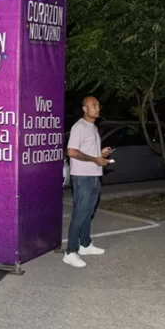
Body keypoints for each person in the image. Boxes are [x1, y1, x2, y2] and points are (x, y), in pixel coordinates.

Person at [63, 96, 112, 268]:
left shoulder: (93, 127)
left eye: (98, 105)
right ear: (85, 109)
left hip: (94, 176)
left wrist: (100, 154)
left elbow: (88, 151)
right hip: (82, 177)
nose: (97, 108)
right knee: (79, 214)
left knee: (88, 213)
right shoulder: (79, 127)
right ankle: (70, 252)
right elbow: (71, 152)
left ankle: (85, 245)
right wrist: (94, 159)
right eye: (93, 105)